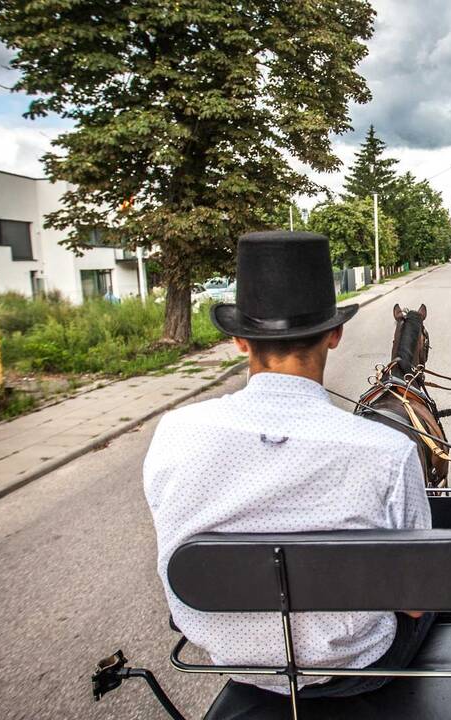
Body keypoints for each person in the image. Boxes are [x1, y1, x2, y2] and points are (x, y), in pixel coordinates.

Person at [144, 231, 433, 699]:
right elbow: (418, 601)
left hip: (238, 664)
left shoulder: (176, 432)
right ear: (336, 334)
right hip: (359, 665)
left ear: (240, 340)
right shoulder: (387, 451)